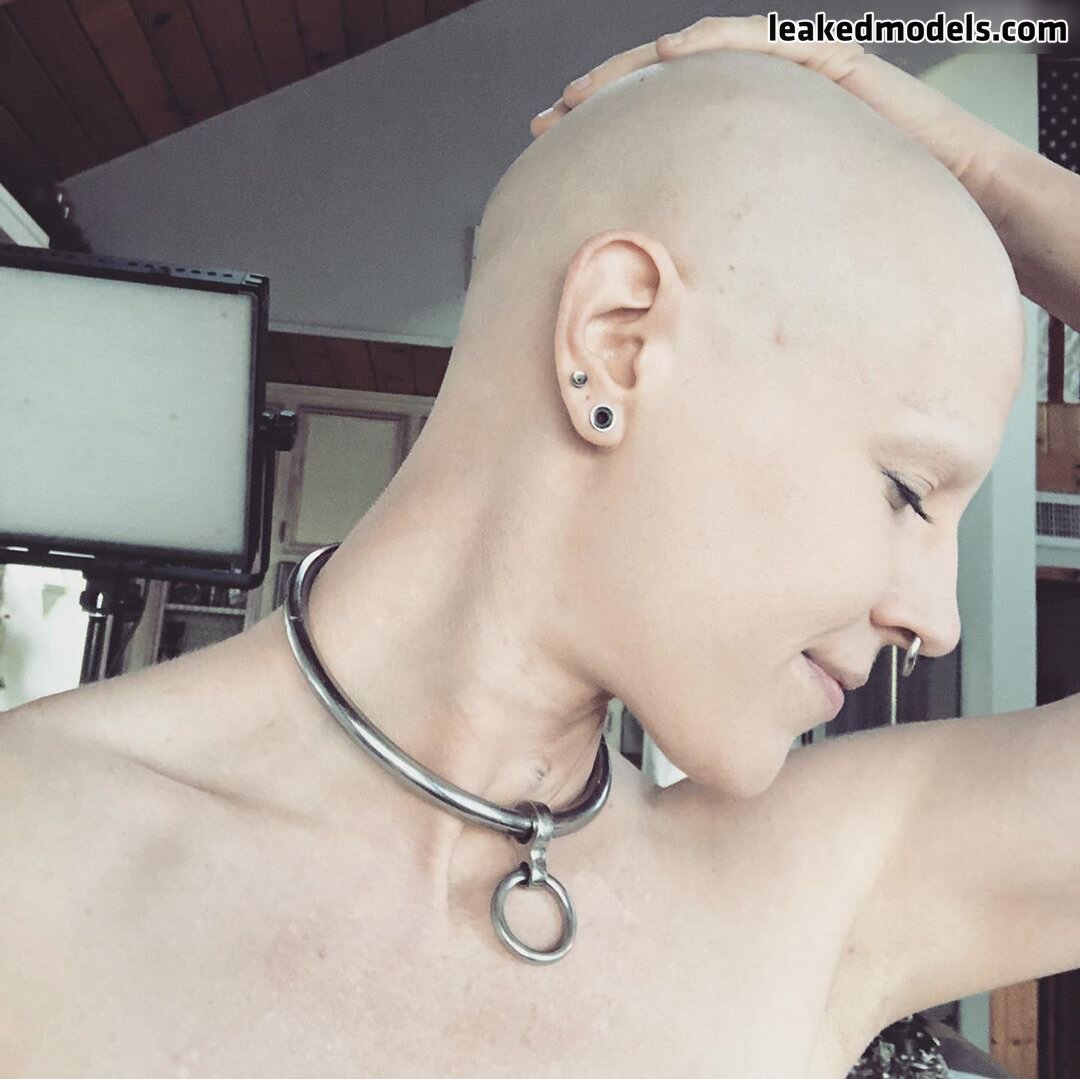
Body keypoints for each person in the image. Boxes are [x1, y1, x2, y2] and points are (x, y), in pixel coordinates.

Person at [2, 20, 1077, 1079]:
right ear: (616, 343)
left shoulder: (818, 894)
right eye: (907, 490)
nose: (938, 621)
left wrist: (982, 172)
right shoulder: (33, 854)